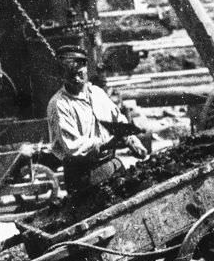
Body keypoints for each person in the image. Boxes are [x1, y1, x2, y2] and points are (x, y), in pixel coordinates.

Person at [46, 47, 148, 192]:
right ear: (62, 76)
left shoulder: (97, 93)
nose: (76, 79)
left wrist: (132, 141)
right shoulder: (59, 104)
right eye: (70, 75)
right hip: (85, 176)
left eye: (79, 74)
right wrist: (107, 143)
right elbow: (74, 148)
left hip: (112, 163)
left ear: (86, 69)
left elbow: (118, 120)